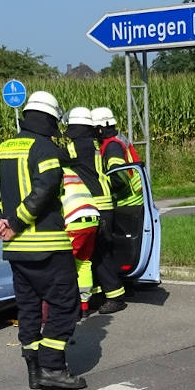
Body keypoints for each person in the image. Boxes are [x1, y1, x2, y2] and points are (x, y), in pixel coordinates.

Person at [0, 91, 86, 390]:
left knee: (28, 308)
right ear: (50, 119)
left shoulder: (3, 149)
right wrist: (15, 224)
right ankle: (53, 368)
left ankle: (34, 370)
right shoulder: (45, 148)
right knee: (66, 306)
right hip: (47, 246)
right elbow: (46, 187)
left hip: (15, 251)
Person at [65, 106, 128, 315]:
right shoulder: (95, 144)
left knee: (99, 253)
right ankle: (100, 293)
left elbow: (58, 157)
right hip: (103, 205)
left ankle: (115, 295)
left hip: (97, 205)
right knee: (95, 254)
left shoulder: (80, 146)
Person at [92, 106, 146, 294]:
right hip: (133, 198)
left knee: (109, 245)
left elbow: (119, 178)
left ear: (100, 129)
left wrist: (101, 187)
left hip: (125, 201)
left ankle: (112, 285)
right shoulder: (117, 140)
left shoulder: (112, 146)